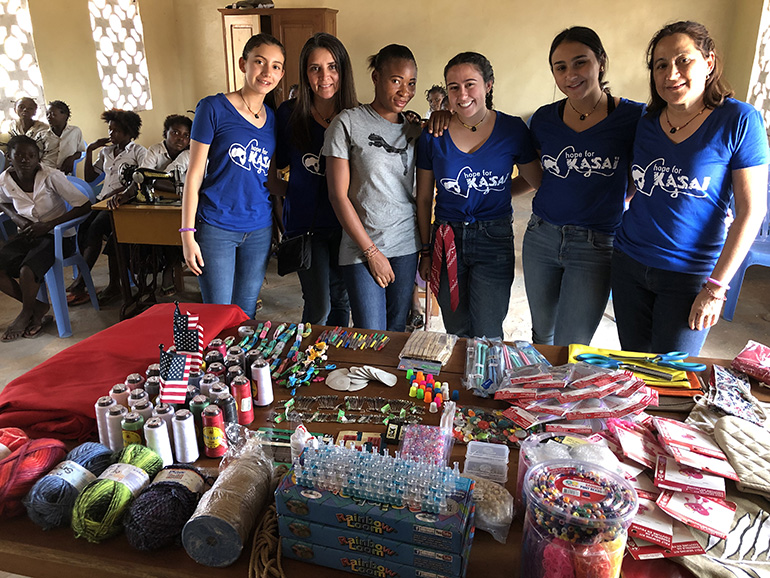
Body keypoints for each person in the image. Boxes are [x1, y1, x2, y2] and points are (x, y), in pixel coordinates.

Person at [612, 21, 769, 354]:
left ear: (708, 62)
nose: (671, 73)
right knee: (635, 366)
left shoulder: (739, 120)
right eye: (661, 65)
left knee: (671, 377)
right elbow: (634, 184)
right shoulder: (646, 122)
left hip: (690, 276)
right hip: (629, 264)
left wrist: (715, 289)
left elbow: (751, 212)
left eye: (684, 60)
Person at [523, 27, 644, 346]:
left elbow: (638, 176)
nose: (570, 75)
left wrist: (617, 199)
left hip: (596, 244)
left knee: (572, 343)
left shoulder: (632, 116)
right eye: (560, 67)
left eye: (580, 63)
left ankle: (559, 396)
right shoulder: (544, 118)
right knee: (542, 335)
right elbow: (538, 171)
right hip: (541, 237)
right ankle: (536, 395)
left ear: (600, 62)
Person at [416, 52, 542, 339]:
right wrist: (425, 250)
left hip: (493, 239)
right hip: (447, 239)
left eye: (470, 84)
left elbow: (535, 180)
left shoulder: (512, 129)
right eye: (453, 87)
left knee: (488, 331)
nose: (462, 95)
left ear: (489, 85)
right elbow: (423, 198)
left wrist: (498, 193)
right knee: (456, 329)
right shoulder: (433, 134)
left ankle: (485, 384)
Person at [181, 33, 285, 317]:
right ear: (243, 64)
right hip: (216, 227)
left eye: (276, 66)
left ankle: (238, 363)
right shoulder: (213, 108)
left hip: (259, 229)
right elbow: (194, 175)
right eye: (259, 62)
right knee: (217, 313)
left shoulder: (272, 119)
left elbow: (270, 178)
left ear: (282, 73)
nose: (267, 72)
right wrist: (187, 234)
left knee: (245, 313)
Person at [324, 44, 422, 332]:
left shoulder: (415, 129)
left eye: (411, 83)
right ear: (376, 77)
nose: (405, 91)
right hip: (360, 246)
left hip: (405, 243)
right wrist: (371, 252)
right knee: (372, 334)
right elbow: (337, 195)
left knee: (395, 333)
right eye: (396, 81)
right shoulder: (348, 123)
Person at [273, 33, 356, 326]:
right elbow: (272, 166)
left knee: (341, 301)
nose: (325, 77)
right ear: (304, 73)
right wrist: (293, 192)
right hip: (306, 228)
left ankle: (333, 366)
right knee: (318, 305)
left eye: (332, 67)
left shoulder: (355, 116)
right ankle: (309, 362)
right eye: (315, 68)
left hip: (346, 225)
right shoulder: (288, 114)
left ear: (343, 71)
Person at [0, 135, 91, 341]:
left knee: (26, 269)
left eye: (32, 155)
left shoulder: (51, 176)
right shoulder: (5, 179)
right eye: (20, 155)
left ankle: (26, 313)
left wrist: (49, 225)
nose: (26, 160)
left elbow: (83, 205)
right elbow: (2, 201)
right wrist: (17, 218)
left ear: (38, 157)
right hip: (28, 234)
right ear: (9, 157)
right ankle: (37, 307)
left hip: (57, 237)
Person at [67, 109, 146, 306]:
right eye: (110, 130)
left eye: (116, 131)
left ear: (129, 133)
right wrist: (90, 151)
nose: (111, 134)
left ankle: (83, 282)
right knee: (84, 230)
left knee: (96, 230)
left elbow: (142, 180)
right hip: (102, 201)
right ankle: (87, 281)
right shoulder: (106, 152)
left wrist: (120, 192)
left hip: (122, 203)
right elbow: (90, 178)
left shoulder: (139, 152)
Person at [109, 114, 192, 296]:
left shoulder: (190, 154)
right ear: (166, 133)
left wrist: (153, 182)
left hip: (180, 206)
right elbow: (141, 177)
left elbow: (153, 179)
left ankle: (168, 270)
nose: (181, 138)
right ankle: (140, 278)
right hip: (157, 206)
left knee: (173, 230)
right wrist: (124, 194)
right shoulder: (154, 151)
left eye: (186, 135)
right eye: (176, 132)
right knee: (141, 231)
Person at [40, 100, 86, 175]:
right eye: (47, 114)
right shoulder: (42, 135)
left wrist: (72, 158)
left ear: (65, 116)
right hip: (45, 171)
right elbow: (37, 156)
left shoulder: (75, 131)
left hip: (64, 172)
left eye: (53, 114)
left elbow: (80, 152)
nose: (49, 117)